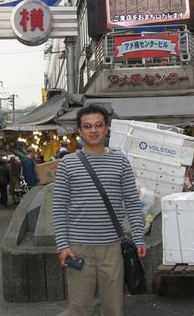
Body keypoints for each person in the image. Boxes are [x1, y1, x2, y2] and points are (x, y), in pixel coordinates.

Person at [53, 104, 147, 316]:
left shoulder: (120, 160)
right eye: (87, 126)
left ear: (107, 129)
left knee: (114, 308)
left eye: (98, 125)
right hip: (78, 248)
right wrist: (62, 245)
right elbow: (58, 206)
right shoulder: (67, 163)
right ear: (80, 131)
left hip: (113, 247)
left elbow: (132, 202)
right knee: (79, 308)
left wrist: (139, 238)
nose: (93, 130)